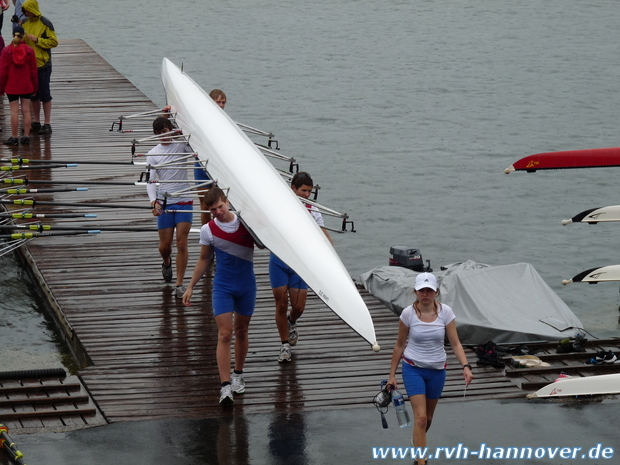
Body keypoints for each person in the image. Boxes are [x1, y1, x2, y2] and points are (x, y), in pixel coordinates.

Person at [387, 272, 473, 465]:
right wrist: (392, 375)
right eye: (421, 290)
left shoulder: (446, 312)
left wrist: (465, 366)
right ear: (415, 291)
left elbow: (456, 343)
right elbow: (399, 345)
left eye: (429, 290)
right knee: (421, 418)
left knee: (429, 418)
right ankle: (421, 460)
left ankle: (416, 441)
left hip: (437, 371)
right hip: (413, 369)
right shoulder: (408, 314)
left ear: (436, 292)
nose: (425, 294)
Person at [183, 187, 256, 406]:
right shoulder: (208, 230)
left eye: (220, 207)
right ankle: (225, 387)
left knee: (242, 331)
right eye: (213, 210)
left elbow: (267, 242)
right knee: (225, 334)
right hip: (223, 286)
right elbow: (204, 259)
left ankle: (238, 374)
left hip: (246, 286)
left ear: (227, 202)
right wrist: (190, 286)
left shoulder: (246, 223)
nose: (218, 212)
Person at [270, 171, 333, 363]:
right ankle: (284, 346)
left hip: (300, 264)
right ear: (293, 189)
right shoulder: (278, 207)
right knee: (281, 304)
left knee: (298, 307)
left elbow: (324, 236)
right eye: (303, 191)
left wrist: (333, 260)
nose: (307, 195)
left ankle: (292, 322)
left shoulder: (313, 210)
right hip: (279, 261)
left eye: (309, 191)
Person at [146, 115, 193, 299]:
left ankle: (180, 284)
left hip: (184, 200)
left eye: (165, 131)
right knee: (164, 246)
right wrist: (152, 201)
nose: (163, 136)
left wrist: (177, 115)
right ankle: (166, 262)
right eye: (158, 134)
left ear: (171, 129)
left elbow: (193, 137)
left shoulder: (183, 146)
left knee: (182, 242)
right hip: (164, 202)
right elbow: (151, 181)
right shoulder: (153, 153)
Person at [21, 0, 57, 135]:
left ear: (34, 9)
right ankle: (36, 122)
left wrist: (38, 40)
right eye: (25, 11)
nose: (27, 13)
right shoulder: (24, 22)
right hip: (28, 64)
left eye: (29, 10)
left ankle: (47, 124)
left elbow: (54, 42)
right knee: (33, 95)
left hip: (43, 63)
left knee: (45, 94)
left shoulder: (45, 23)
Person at [193, 89, 227, 225]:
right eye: (217, 102)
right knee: (205, 204)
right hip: (201, 164)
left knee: (220, 203)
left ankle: (219, 230)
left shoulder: (226, 122)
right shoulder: (199, 118)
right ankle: (206, 232)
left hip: (218, 165)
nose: (221, 105)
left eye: (223, 102)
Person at [0, 25, 36, 146]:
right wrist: (35, 87)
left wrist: (1, 87)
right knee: (26, 111)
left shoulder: (6, 51)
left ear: (12, 35)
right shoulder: (30, 51)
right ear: (23, 35)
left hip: (12, 85)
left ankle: (14, 138)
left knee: (14, 112)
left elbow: (2, 72)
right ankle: (26, 136)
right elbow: (33, 72)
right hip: (26, 85)